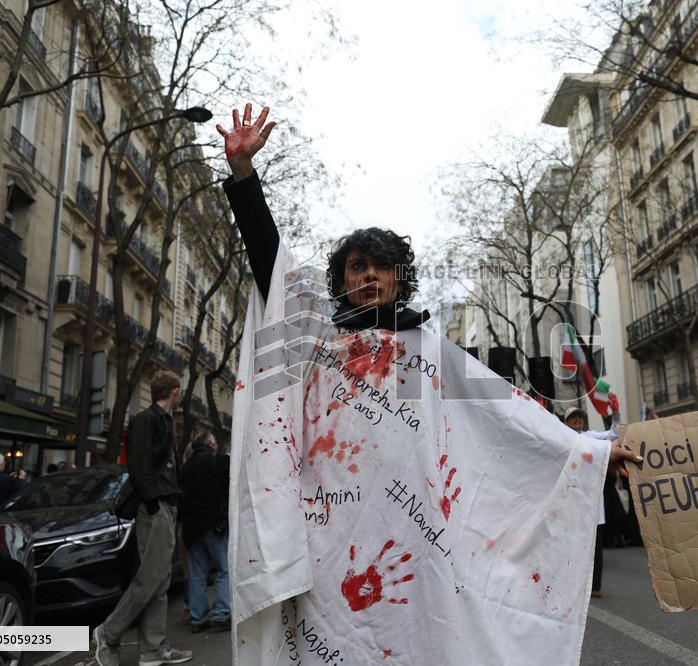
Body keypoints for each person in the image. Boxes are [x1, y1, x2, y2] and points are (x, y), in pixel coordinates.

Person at [218, 103, 643, 664]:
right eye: (357, 266)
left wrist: (588, 450)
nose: (369, 274)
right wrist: (246, 179)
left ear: (399, 278)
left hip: (414, 543)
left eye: (381, 266)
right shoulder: (314, 343)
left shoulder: (429, 353)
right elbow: (270, 267)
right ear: (342, 282)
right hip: (328, 541)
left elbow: (509, 414)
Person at [93, 371, 191, 666]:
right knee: (150, 578)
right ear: (175, 391)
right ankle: (108, 633)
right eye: (181, 389)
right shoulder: (146, 420)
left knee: (160, 580)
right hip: (156, 506)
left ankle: (153, 649)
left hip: (166, 504)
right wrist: (152, 505)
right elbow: (138, 466)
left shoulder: (163, 420)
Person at [179, 430, 231, 633]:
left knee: (197, 574)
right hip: (214, 525)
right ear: (211, 444)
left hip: (192, 528)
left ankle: (197, 618)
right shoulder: (218, 460)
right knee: (224, 569)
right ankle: (221, 613)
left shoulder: (186, 467)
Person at [564, 406, 608, 597]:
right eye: (573, 417)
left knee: (595, 546)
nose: (577, 420)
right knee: (574, 546)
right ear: (566, 422)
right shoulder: (560, 438)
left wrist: (613, 414)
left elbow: (613, 434)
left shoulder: (590, 437)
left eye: (580, 417)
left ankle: (595, 586)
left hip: (593, 502)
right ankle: (574, 585)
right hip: (571, 502)